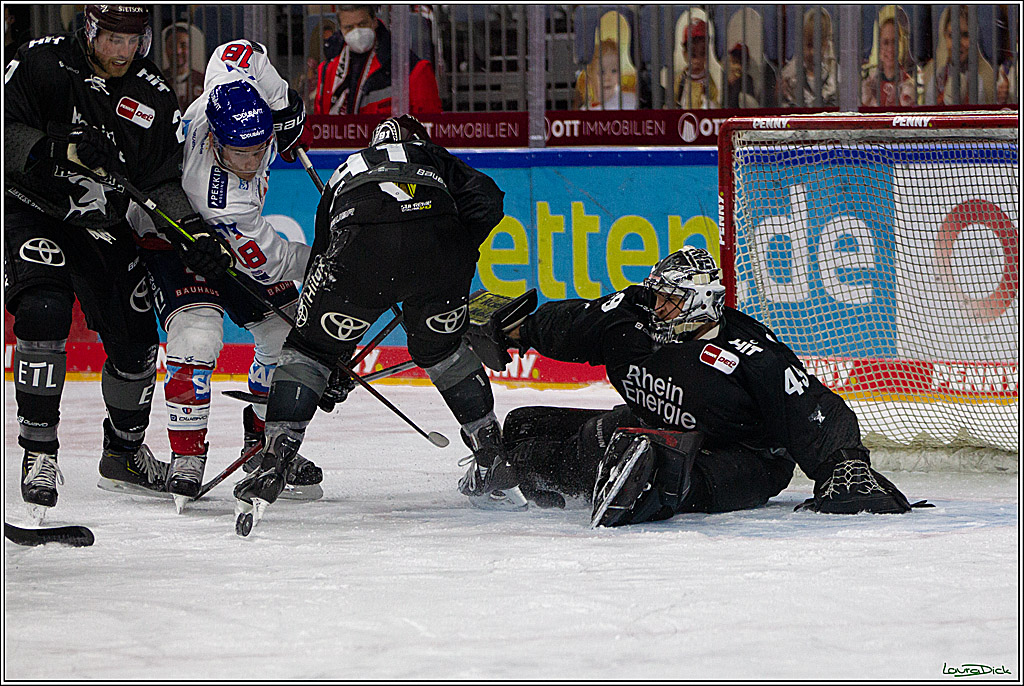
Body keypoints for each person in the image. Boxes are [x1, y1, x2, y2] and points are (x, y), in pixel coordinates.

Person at [477, 247, 924, 527]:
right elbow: (575, 323)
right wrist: (518, 330)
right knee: (524, 427)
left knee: (660, 468)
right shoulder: (631, 318)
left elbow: (811, 406)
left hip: (744, 459)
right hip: (648, 428)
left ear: (701, 303)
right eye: (655, 296)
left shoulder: (752, 353)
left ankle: (641, 477)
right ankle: (570, 473)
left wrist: (841, 465)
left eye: (668, 300)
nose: (656, 307)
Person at [232, 115, 518, 533]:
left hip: (359, 250)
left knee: (308, 352)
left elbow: (321, 265)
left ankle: (274, 459)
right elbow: (488, 199)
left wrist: (331, 360)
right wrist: (446, 248)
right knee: (444, 349)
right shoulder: (430, 154)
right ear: (417, 140)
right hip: (440, 247)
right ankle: (491, 453)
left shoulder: (348, 168)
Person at [4, 5, 227, 517]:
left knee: (137, 342)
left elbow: (159, 181)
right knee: (44, 310)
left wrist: (190, 231)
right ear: (89, 29)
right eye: (112, 39)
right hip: (32, 210)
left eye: (133, 40)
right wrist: (57, 148)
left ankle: (123, 455)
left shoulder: (152, 92)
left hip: (102, 224)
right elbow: (4, 130)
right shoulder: (41, 63)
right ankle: (39, 451)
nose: (123, 51)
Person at [129, 39, 319, 508]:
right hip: (169, 236)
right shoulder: (218, 194)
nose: (255, 161)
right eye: (242, 154)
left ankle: (266, 445)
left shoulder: (230, 75)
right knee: (197, 336)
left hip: (228, 236)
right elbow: (271, 259)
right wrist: (326, 260)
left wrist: (286, 108)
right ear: (215, 140)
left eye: (262, 147)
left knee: (285, 327)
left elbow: (241, 50)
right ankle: (187, 457)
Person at [313, 5, 442, 115]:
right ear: (340, 29)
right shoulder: (327, 71)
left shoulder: (412, 69)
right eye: (349, 27)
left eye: (362, 24)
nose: (356, 32)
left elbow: (430, 127)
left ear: (374, 21)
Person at [920, 5, 1005, 106]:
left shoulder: (983, 80)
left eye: (965, 35)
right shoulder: (933, 78)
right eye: (952, 36)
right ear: (944, 38)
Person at [780, 8, 837, 107]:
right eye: (809, 45)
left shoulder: (837, 77)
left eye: (818, 46)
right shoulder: (789, 76)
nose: (813, 52)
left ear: (827, 44)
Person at [861, 6, 916, 107]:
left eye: (894, 42)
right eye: (885, 43)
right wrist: (866, 103)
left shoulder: (910, 83)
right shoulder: (869, 84)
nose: (890, 49)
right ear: (878, 45)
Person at [574, 38, 637, 111]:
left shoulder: (629, 100)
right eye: (602, 72)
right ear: (590, 76)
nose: (608, 77)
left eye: (614, 71)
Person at [673, 18, 721, 110]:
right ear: (685, 54)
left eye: (702, 54)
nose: (697, 60)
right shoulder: (679, 81)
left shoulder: (709, 83)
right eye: (693, 55)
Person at [161, 22, 206, 112]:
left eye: (183, 45)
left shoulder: (203, 81)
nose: (178, 51)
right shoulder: (158, 79)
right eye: (172, 45)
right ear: (165, 49)